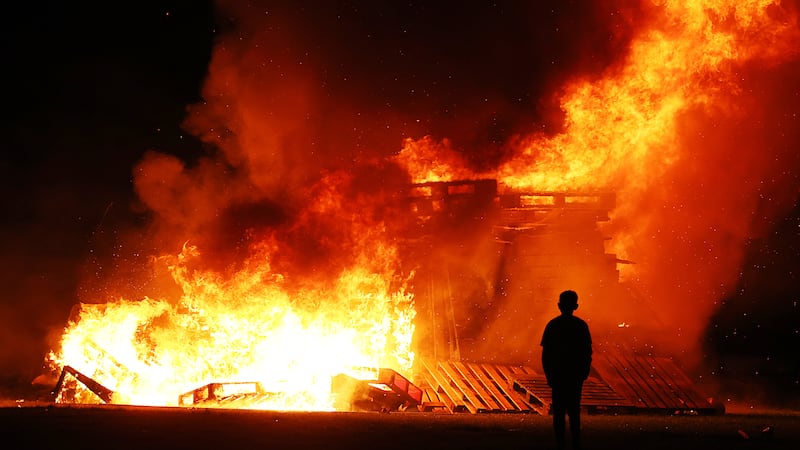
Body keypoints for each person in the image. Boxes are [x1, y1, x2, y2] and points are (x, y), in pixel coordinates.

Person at [540, 290, 592, 450]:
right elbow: (587, 352)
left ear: (559, 306)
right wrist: (584, 372)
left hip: (558, 375)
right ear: (576, 306)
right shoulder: (581, 326)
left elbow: (546, 354)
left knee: (559, 412)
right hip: (574, 375)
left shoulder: (553, 325)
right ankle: (576, 442)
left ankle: (560, 443)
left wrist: (549, 374)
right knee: (574, 411)